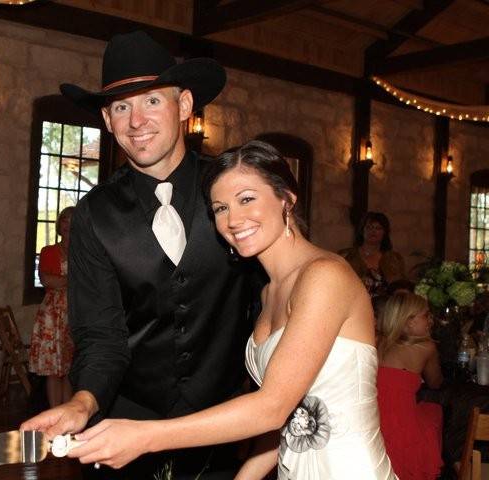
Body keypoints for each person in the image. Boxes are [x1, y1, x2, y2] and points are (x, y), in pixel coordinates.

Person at [60, 141, 396, 480]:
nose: (233, 219)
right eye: (220, 208)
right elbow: (295, 413)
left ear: (287, 199)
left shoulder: (325, 276)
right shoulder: (269, 292)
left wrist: (145, 436)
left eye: (247, 199)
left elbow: (273, 407)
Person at [21, 31, 263, 479]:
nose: (136, 121)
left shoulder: (233, 189)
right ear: (107, 121)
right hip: (122, 430)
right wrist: (82, 400)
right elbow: (100, 336)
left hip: (219, 432)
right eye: (121, 107)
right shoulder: (94, 215)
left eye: (152, 101)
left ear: (185, 106)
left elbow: (270, 300)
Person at [376, 291, 443, 480]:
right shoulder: (426, 348)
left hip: (374, 421)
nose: (431, 320)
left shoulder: (375, 342)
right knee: (435, 414)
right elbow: (435, 382)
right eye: (426, 315)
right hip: (403, 426)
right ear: (408, 321)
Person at [29, 206, 75, 408]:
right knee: (53, 369)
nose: (68, 225)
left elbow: (91, 281)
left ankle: (68, 412)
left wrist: (63, 280)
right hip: (53, 315)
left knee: (70, 369)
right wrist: (74, 279)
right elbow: (48, 281)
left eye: (73, 220)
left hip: (76, 312)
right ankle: (55, 412)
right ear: (59, 224)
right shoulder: (49, 251)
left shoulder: (86, 252)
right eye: (65, 220)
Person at [340, 212, 405, 298]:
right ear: (362, 230)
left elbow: (401, 287)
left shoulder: (394, 259)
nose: (373, 231)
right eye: (369, 227)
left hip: (386, 307)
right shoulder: (346, 256)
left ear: (385, 233)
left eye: (378, 228)